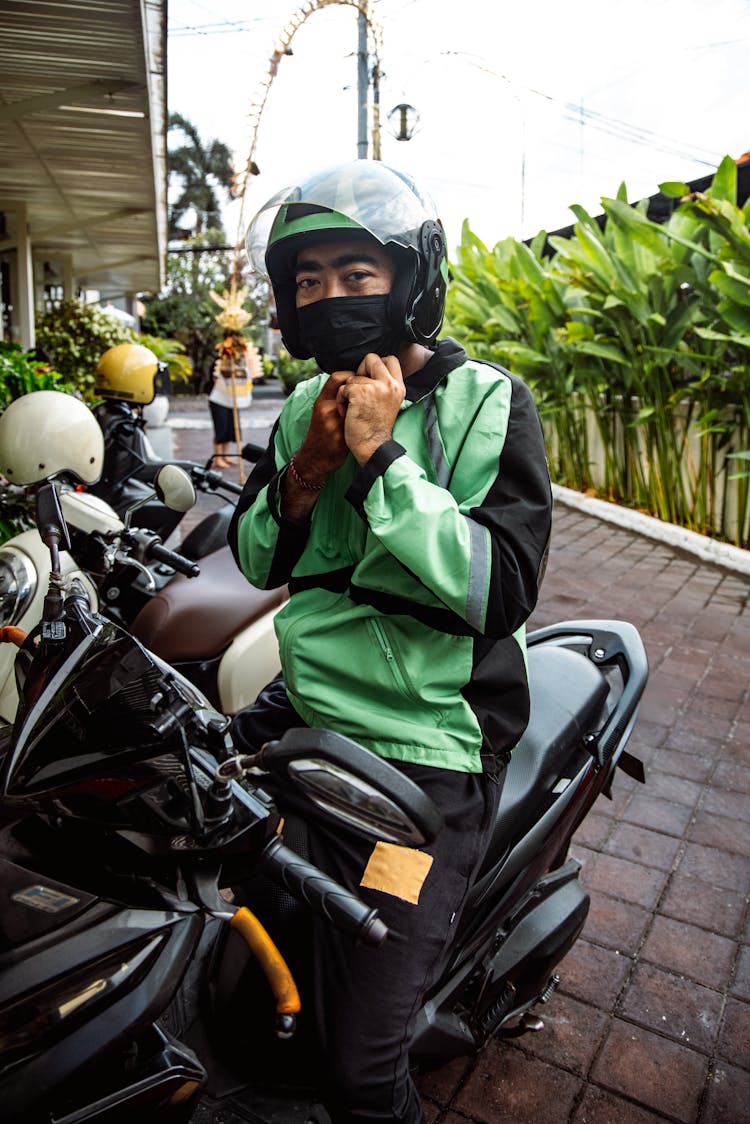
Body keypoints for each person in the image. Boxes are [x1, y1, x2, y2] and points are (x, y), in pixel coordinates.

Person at [227, 160, 552, 1124]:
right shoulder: (297, 408)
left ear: (410, 278)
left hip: (430, 748)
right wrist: (312, 465)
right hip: (312, 712)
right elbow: (256, 559)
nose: (330, 297)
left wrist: (380, 462)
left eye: (356, 273)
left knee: (363, 1076)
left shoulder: (487, 403)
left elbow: (500, 587)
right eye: (309, 280)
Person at [208, 331, 258, 467]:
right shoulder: (221, 359)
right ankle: (217, 458)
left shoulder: (241, 361)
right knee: (221, 428)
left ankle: (224, 456)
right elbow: (214, 378)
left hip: (232, 400)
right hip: (219, 399)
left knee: (230, 429)